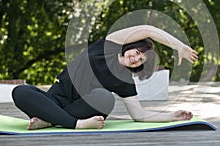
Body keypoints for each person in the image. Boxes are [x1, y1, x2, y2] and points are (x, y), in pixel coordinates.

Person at [12, 25, 198, 130]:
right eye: (138, 51)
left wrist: (171, 117)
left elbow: (139, 115)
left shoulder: (124, 80)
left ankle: (52, 119)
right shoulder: (110, 44)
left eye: (140, 60)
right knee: (20, 91)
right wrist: (178, 45)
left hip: (81, 109)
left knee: (105, 98)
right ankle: (63, 121)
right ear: (132, 46)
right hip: (54, 99)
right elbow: (148, 29)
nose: (135, 58)